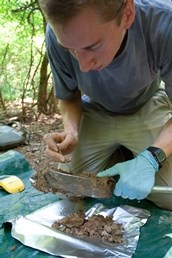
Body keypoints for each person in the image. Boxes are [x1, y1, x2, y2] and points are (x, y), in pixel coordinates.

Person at [39, 0, 172, 210]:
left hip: (147, 106)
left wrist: (151, 158)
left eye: (93, 46)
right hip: (95, 109)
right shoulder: (57, 33)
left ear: (127, 14)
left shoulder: (164, 22)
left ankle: (132, 154)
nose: (83, 66)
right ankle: (120, 154)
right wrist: (71, 131)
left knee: (170, 196)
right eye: (69, 49)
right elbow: (69, 96)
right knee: (69, 188)